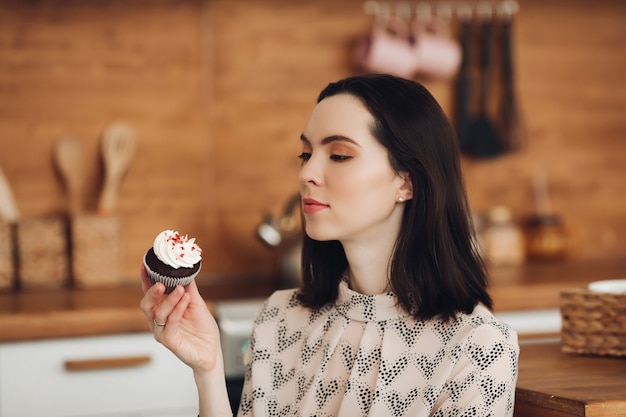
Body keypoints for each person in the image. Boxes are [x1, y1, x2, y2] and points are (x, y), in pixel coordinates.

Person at [140, 73, 519, 417]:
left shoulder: (479, 348)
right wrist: (208, 371)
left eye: (339, 155)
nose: (306, 174)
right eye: (306, 154)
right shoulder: (278, 318)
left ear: (407, 182)